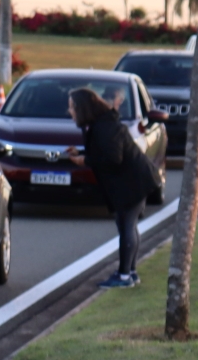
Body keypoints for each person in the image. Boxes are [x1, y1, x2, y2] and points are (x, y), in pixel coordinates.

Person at [66, 87, 154, 289]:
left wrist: (84, 160)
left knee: (126, 225)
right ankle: (129, 272)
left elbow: (113, 158)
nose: (70, 112)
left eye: (72, 107)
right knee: (127, 225)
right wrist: (80, 152)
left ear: (83, 108)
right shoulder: (101, 124)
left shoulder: (105, 127)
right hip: (132, 180)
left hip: (133, 182)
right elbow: (105, 150)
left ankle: (124, 276)